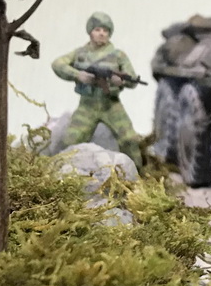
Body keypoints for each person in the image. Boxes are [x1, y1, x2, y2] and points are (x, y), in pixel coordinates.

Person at [51, 12, 143, 173]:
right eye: (98, 29)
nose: (102, 33)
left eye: (105, 30)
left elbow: (132, 79)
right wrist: (77, 75)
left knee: (129, 139)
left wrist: (121, 81)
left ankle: (139, 175)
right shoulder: (80, 53)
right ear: (90, 31)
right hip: (87, 105)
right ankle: (60, 173)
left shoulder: (118, 55)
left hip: (111, 105)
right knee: (70, 140)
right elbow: (57, 64)